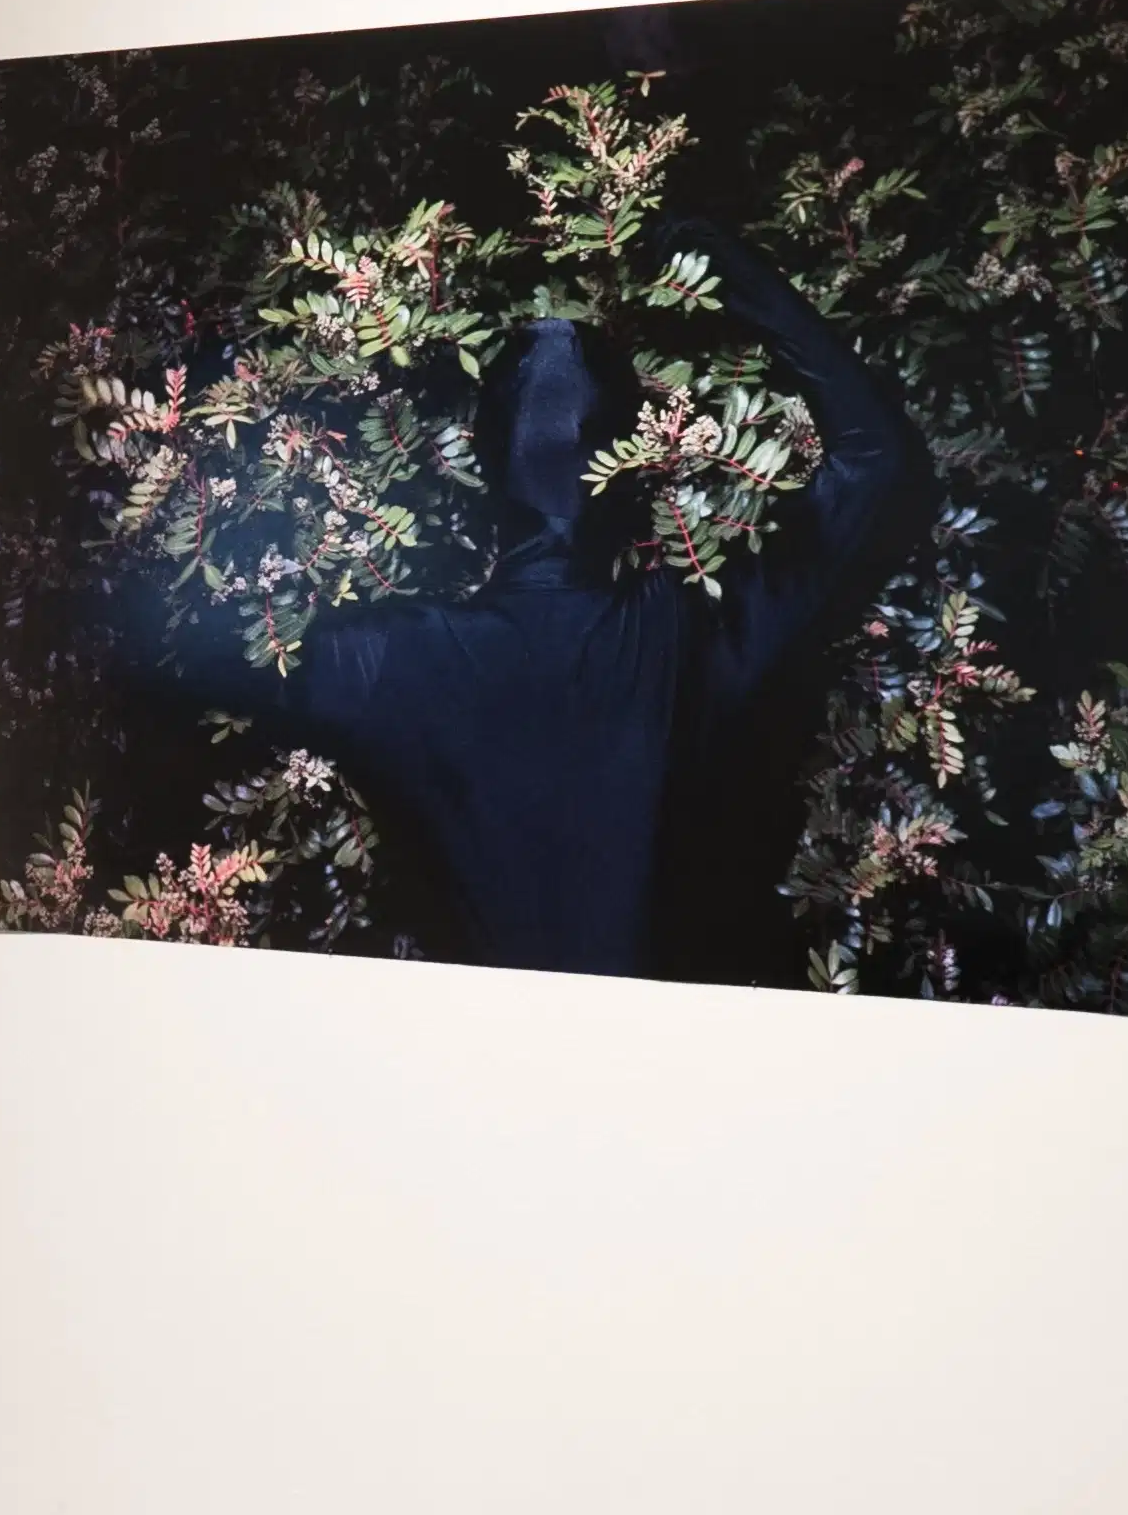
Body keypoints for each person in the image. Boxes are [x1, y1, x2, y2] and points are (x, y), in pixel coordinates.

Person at [131, 237, 932, 980]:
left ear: (478, 467)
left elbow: (159, 651)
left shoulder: (382, 663)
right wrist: (740, 274)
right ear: (634, 472)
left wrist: (194, 433)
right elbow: (876, 457)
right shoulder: (687, 634)